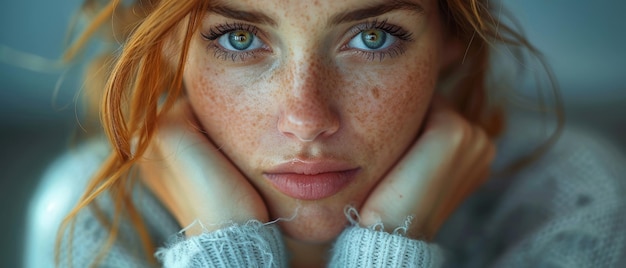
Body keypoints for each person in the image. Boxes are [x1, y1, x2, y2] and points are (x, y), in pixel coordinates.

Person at [24, 0, 626, 267]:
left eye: (373, 37)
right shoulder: (97, 218)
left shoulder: (571, 204)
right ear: (170, 45)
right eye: (239, 38)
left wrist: (389, 247)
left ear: (450, 40)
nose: (307, 117)